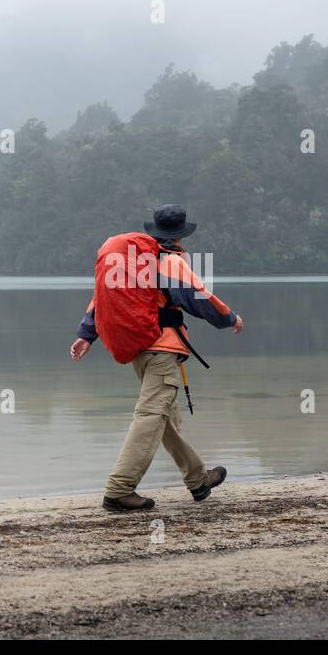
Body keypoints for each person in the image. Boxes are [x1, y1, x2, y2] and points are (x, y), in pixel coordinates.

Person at [71, 205, 244, 512]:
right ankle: (119, 489)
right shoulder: (170, 261)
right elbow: (199, 299)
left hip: (138, 348)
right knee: (151, 416)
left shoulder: (129, 261)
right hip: (162, 348)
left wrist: (86, 335)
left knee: (164, 419)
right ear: (180, 235)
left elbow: (100, 299)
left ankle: (198, 480)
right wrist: (230, 319)